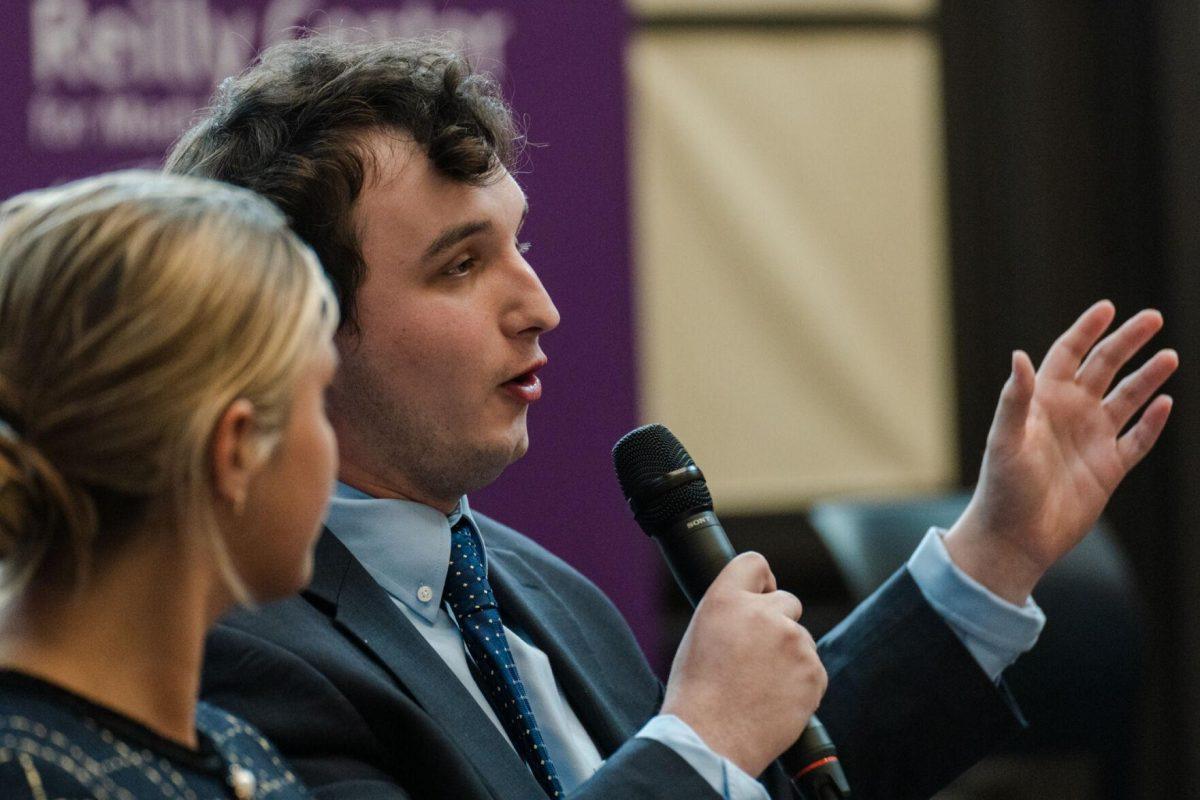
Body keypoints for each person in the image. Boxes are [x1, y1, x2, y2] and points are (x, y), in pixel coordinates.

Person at [166, 37, 1177, 800]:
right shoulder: (234, 652)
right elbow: (698, 768)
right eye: (462, 265)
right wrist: (698, 736)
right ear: (301, 328)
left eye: (519, 245)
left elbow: (757, 784)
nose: (539, 305)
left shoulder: (542, 590)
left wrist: (994, 553)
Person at [0, 170, 340, 799]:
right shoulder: (27, 775)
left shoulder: (237, 748)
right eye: (321, 398)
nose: (331, 443)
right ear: (235, 448)